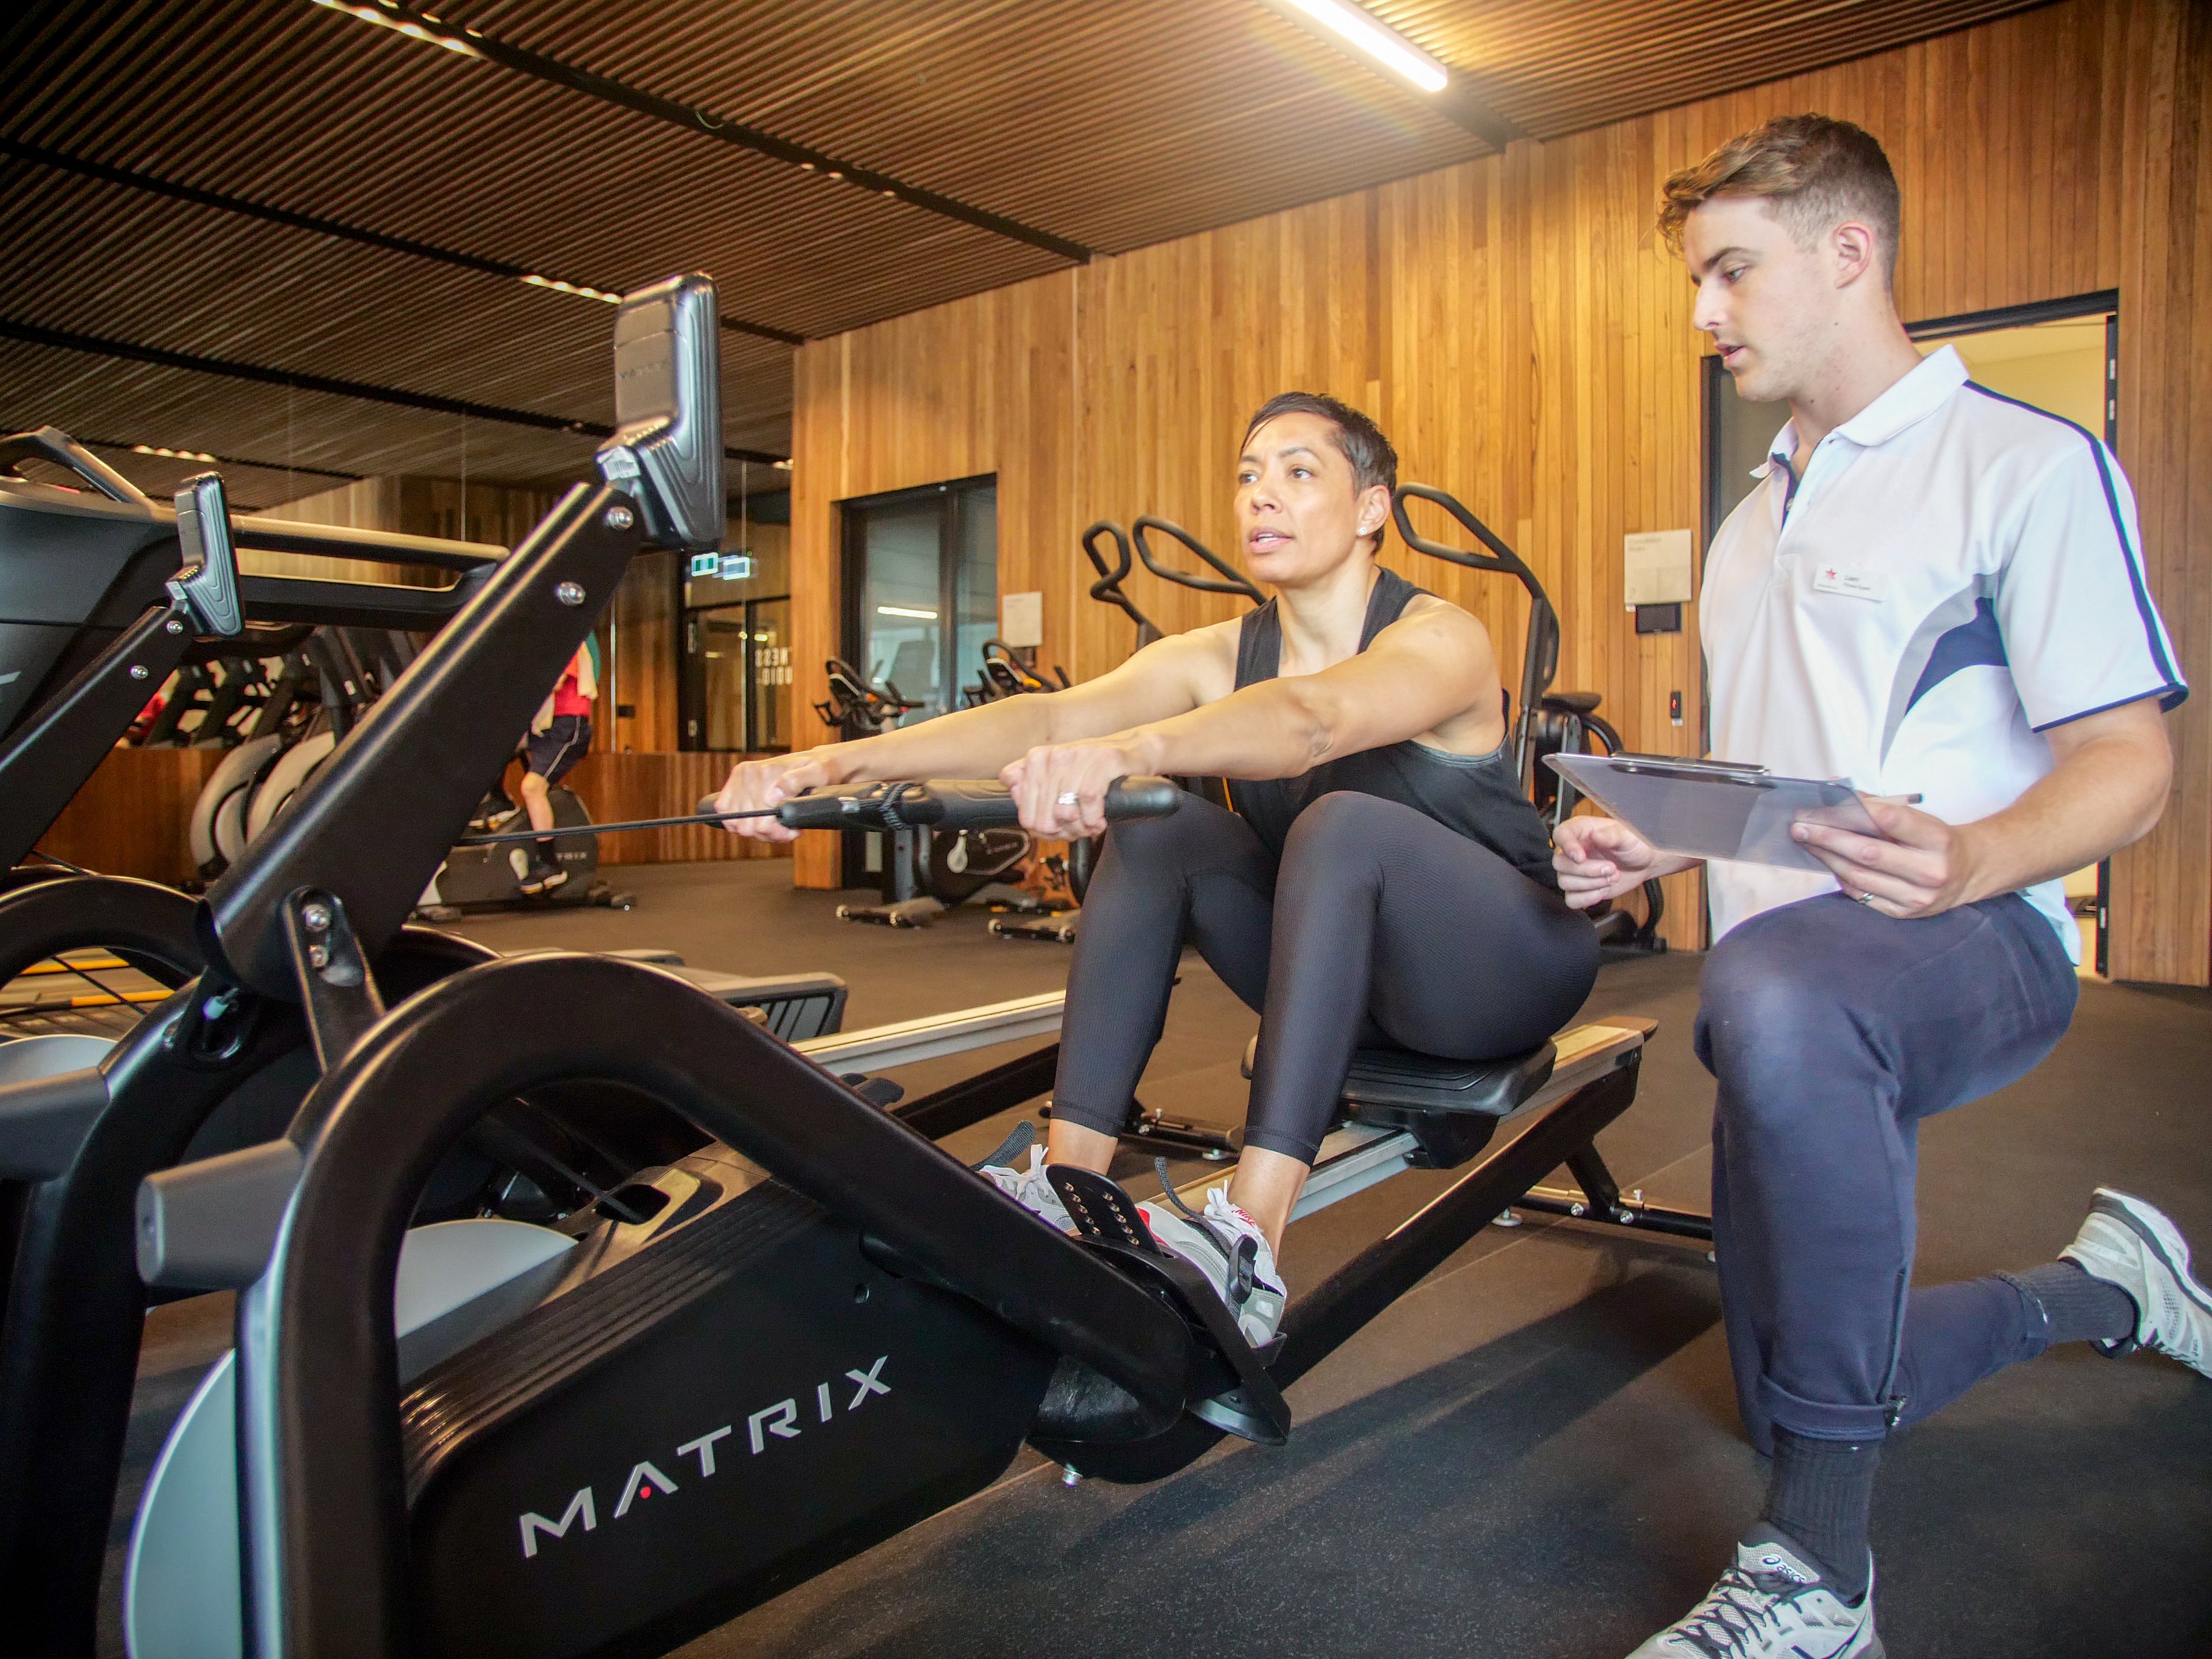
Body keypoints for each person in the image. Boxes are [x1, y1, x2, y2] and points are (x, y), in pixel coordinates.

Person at [1550, 116, 2208, 1659]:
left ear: (1850, 254)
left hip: (1977, 941)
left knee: (1779, 1003)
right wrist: (1661, 838)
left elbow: (2133, 762)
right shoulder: (1742, 528)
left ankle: (1820, 1582)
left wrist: (1980, 853)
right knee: (1802, 1389)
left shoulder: (2023, 467)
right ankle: (2107, 1289)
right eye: (1697, 277)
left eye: (1730, 271)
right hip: (1789, 983)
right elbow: (1783, 789)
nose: (1702, 311)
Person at [716, 391, 1599, 1343]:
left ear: (1372, 509)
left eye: (1300, 474)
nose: (1263, 496)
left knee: (1340, 822)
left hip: (1500, 975)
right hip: (1359, 986)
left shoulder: (1442, 638)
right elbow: (1054, 719)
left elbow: (1315, 723)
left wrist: (1135, 751)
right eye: (1249, 477)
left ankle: (1250, 1239)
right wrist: (832, 764)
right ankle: (1066, 1184)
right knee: (1158, 825)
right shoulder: (1221, 654)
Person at [517, 637, 598, 894]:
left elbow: (553, 682)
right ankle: (498, 802)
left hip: (567, 726)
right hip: (544, 722)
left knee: (532, 788)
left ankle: (551, 865)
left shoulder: (566, 639)